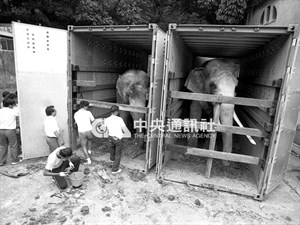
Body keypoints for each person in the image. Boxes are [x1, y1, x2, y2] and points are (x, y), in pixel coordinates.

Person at [104, 105, 129, 174]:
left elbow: (104, 128)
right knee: (118, 154)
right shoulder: (119, 119)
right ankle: (115, 169)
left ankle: (112, 159)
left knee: (112, 147)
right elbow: (124, 129)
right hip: (117, 138)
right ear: (116, 111)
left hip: (110, 137)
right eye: (118, 111)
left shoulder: (106, 119)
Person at [0, 98, 23, 166]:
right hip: (10, 130)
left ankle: (1, 161)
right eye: (13, 105)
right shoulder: (13, 111)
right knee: (13, 145)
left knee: (2, 146)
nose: (13, 106)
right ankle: (14, 160)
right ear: (10, 105)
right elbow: (20, 113)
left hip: (0, 130)